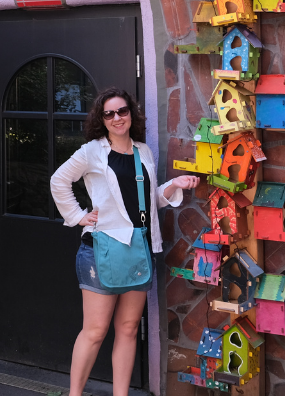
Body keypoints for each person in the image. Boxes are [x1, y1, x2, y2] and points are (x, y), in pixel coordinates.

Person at [49, 87, 199, 396]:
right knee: (95, 331)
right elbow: (58, 180)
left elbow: (144, 202)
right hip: (102, 248)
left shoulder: (142, 150)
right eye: (109, 113)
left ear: (131, 113)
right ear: (101, 119)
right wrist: (78, 216)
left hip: (137, 248)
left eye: (122, 111)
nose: (117, 118)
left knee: (129, 329)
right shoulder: (92, 151)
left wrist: (173, 185)